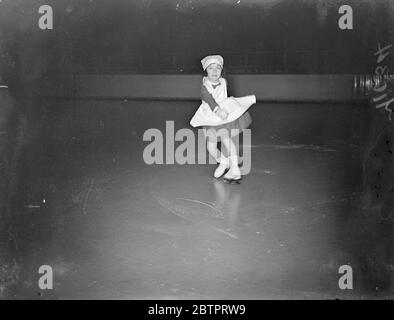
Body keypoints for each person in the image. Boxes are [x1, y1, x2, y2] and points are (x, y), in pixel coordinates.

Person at [190, 55, 256, 182]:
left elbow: (222, 97)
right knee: (211, 147)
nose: (214, 71)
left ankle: (235, 168)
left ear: (221, 70)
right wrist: (218, 110)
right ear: (206, 71)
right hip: (211, 117)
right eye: (211, 68)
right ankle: (224, 162)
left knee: (227, 140)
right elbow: (209, 99)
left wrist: (223, 110)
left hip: (224, 117)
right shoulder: (205, 86)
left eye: (217, 68)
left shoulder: (224, 82)